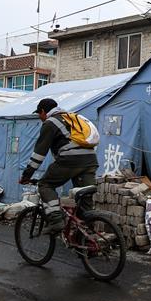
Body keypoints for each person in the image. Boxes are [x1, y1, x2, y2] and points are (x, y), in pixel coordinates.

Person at [20, 98, 99, 234]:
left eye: (39, 114)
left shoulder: (50, 123)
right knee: (84, 198)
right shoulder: (70, 119)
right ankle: (88, 237)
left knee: (45, 185)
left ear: (44, 111)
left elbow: (39, 155)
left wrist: (26, 176)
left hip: (71, 160)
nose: (40, 117)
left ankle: (56, 220)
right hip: (90, 160)